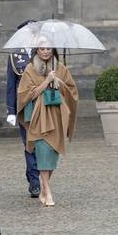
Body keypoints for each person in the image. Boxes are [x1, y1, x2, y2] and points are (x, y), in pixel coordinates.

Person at [16, 41, 79, 207]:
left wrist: (59, 82)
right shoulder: (30, 69)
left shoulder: (61, 69)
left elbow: (72, 91)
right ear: (37, 49)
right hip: (38, 116)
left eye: (48, 48)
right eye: (42, 48)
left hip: (56, 115)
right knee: (42, 151)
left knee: (52, 152)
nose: (45, 51)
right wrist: (46, 81)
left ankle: (44, 188)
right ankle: (48, 190)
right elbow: (26, 94)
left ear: (53, 50)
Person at [6, 22, 40, 199]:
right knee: (29, 142)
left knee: (43, 143)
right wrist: (10, 110)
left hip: (43, 105)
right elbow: (11, 83)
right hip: (24, 105)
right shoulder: (15, 55)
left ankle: (33, 173)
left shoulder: (44, 52)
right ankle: (35, 182)